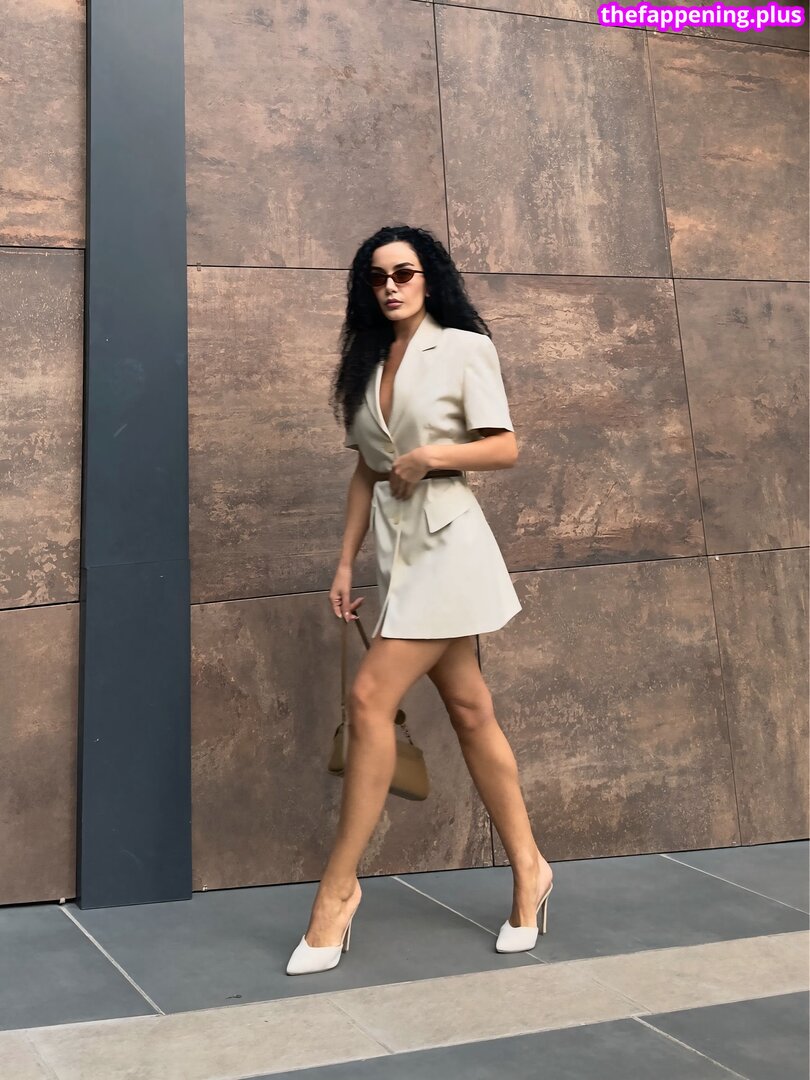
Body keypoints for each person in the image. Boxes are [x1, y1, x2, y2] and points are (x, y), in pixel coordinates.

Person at [286, 225, 553, 975]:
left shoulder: (464, 348)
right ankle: (531, 868)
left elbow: (504, 446)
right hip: (398, 556)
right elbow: (367, 471)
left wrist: (433, 454)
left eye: (404, 273)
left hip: (449, 548)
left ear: (429, 277)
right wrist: (345, 563)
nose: (391, 287)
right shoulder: (367, 364)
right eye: (377, 278)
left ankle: (337, 894)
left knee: (370, 698)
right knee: (469, 710)